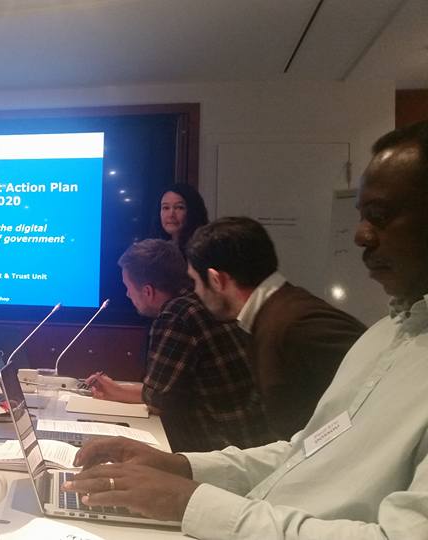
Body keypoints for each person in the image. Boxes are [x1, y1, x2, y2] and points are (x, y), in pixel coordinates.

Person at [62, 120, 428, 538]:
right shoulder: (386, 334)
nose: (361, 235)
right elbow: (305, 453)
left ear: (216, 279)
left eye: (380, 216)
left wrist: (188, 501)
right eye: (362, 216)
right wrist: (180, 467)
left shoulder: (299, 323)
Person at [185, 216, 366, 440]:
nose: (195, 292)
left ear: (216, 280)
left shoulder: (297, 323)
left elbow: (378, 393)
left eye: (195, 281)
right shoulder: (276, 313)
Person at [86, 239, 270, 452]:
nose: (127, 294)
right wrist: (118, 389)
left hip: (221, 446)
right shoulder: (200, 303)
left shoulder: (177, 316)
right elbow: (170, 388)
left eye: (128, 288)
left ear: (148, 291)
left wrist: (116, 391)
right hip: (250, 438)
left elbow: (159, 400)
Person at [155, 183, 209, 254]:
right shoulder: (154, 248)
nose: (171, 215)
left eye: (179, 207)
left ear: (192, 211)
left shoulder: (203, 249)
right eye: (166, 208)